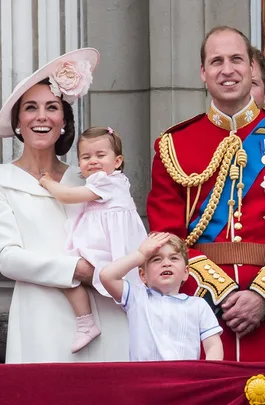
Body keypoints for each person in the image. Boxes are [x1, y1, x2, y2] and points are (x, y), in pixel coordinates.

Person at [0, 48, 131, 363]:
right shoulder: (3, 180)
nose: (41, 116)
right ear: (19, 123)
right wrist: (77, 270)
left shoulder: (88, 179)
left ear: (63, 120)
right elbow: (7, 258)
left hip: (106, 313)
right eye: (30, 108)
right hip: (39, 316)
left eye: (52, 107)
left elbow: (123, 229)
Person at [147, 26, 265, 362]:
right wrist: (223, 292)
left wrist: (261, 294)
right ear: (203, 73)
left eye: (236, 59)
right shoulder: (174, 145)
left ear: (252, 68)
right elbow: (166, 237)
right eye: (216, 61)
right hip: (201, 310)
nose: (227, 70)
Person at [39, 126, 147, 353]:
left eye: (101, 155)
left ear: (117, 161)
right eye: (86, 157)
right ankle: (86, 321)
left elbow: (68, 196)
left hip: (107, 247)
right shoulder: (113, 181)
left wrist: (48, 183)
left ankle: (85, 321)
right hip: (106, 242)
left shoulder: (106, 181)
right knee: (67, 271)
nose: (93, 161)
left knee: (66, 270)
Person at [99, 232, 223, 361]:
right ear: (143, 275)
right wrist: (141, 254)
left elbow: (213, 346)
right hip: (145, 378)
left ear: (186, 272)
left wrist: (209, 377)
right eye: (156, 259)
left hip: (184, 378)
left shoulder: (198, 305)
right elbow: (107, 276)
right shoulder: (136, 298)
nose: (166, 263)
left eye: (174, 258)